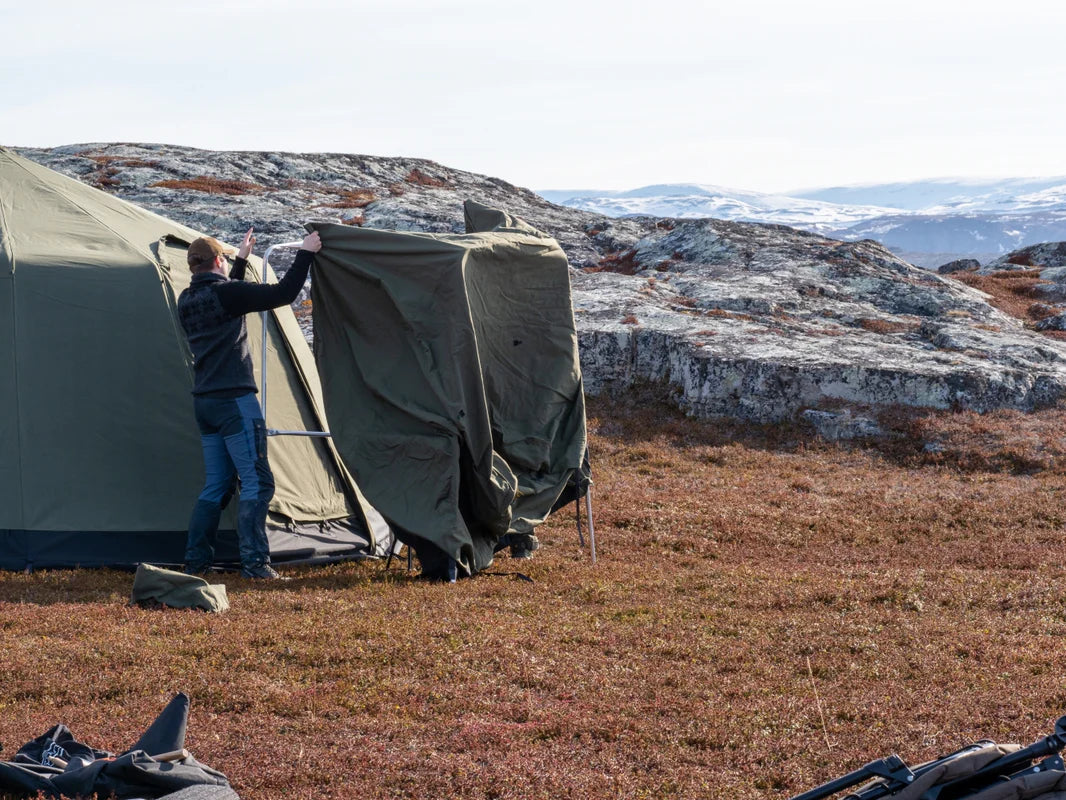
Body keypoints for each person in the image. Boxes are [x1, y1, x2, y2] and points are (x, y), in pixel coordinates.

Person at [177, 227, 321, 579]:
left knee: (216, 486)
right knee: (257, 482)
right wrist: (306, 252)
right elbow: (283, 293)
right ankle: (256, 565)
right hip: (234, 402)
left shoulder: (186, 299)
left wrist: (239, 261)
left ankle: (196, 563)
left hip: (205, 404)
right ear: (217, 261)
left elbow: (226, 301)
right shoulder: (228, 293)